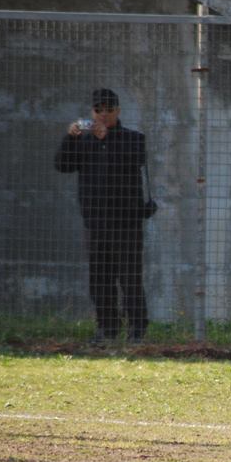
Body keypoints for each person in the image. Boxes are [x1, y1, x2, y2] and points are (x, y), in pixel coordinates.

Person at [55, 88, 149, 344]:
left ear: (118, 111)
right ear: (92, 112)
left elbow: (135, 160)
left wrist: (108, 139)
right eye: (98, 110)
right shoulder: (83, 141)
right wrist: (70, 138)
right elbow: (62, 165)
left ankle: (137, 329)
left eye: (109, 110)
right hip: (95, 223)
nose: (103, 115)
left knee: (129, 278)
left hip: (126, 223)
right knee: (100, 279)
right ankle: (107, 329)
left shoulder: (133, 139)